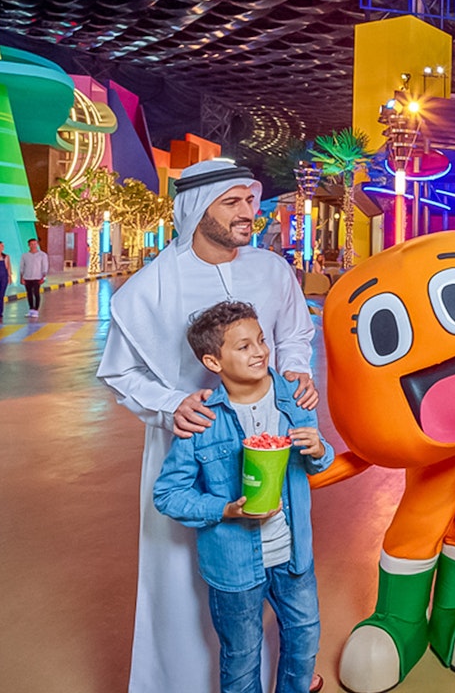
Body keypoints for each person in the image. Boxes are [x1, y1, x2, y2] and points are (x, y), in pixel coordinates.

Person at [97, 159, 319, 693]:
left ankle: (280, 678)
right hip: (191, 442)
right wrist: (173, 404)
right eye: (234, 203)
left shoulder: (271, 269)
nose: (250, 214)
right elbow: (119, 372)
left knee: (278, 560)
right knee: (185, 580)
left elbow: (294, 333)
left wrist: (296, 368)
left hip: (267, 437)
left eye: (251, 201)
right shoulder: (150, 287)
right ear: (197, 210)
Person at [154, 301, 332, 693]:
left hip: (294, 557)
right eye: (244, 346)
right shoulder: (202, 418)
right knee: (241, 657)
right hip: (234, 569)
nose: (260, 352)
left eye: (261, 341)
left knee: (303, 642)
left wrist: (319, 451)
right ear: (212, 361)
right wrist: (223, 509)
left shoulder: (294, 398)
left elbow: (320, 463)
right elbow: (168, 494)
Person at [19, 237, 48, 318]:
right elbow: (22, 267)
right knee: (29, 294)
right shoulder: (25, 255)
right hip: (27, 277)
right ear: (28, 245)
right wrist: (21, 277)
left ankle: (36, 310)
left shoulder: (42, 255)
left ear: (37, 244)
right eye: (31, 244)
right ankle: (31, 309)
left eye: (35, 244)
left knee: (36, 293)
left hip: (37, 277)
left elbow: (45, 266)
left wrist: (43, 277)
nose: (33, 246)